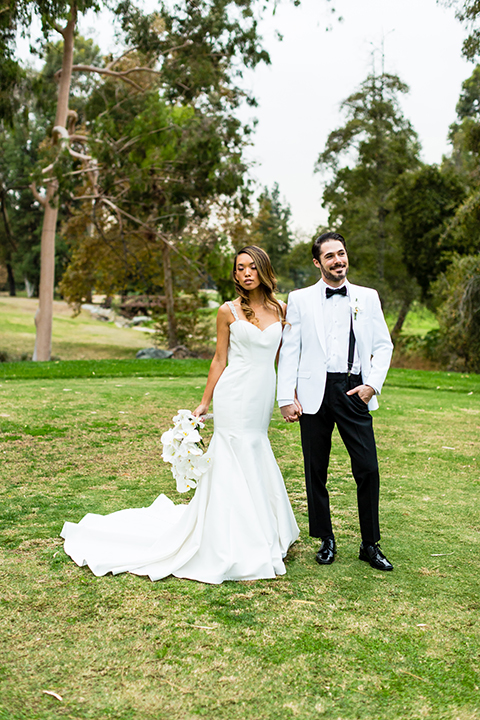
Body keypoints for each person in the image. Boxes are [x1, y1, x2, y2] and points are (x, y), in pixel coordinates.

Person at [61, 246, 299, 584]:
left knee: (255, 446)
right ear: (235, 275)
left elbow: (287, 360)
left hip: (262, 394)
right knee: (231, 451)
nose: (246, 273)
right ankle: (230, 539)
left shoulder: (282, 309)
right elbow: (219, 359)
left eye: (252, 267)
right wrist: (204, 402)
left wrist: (291, 396)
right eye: (240, 268)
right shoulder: (227, 311)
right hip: (233, 393)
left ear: (264, 269)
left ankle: (265, 530)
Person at [277, 231, 394, 571]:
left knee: (368, 468)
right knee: (316, 469)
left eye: (341, 253)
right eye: (329, 256)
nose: (338, 260)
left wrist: (372, 384)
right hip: (313, 393)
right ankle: (325, 538)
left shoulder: (367, 297)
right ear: (318, 262)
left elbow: (384, 345)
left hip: (354, 389)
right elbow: (291, 350)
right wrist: (287, 396)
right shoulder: (299, 299)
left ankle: (370, 544)